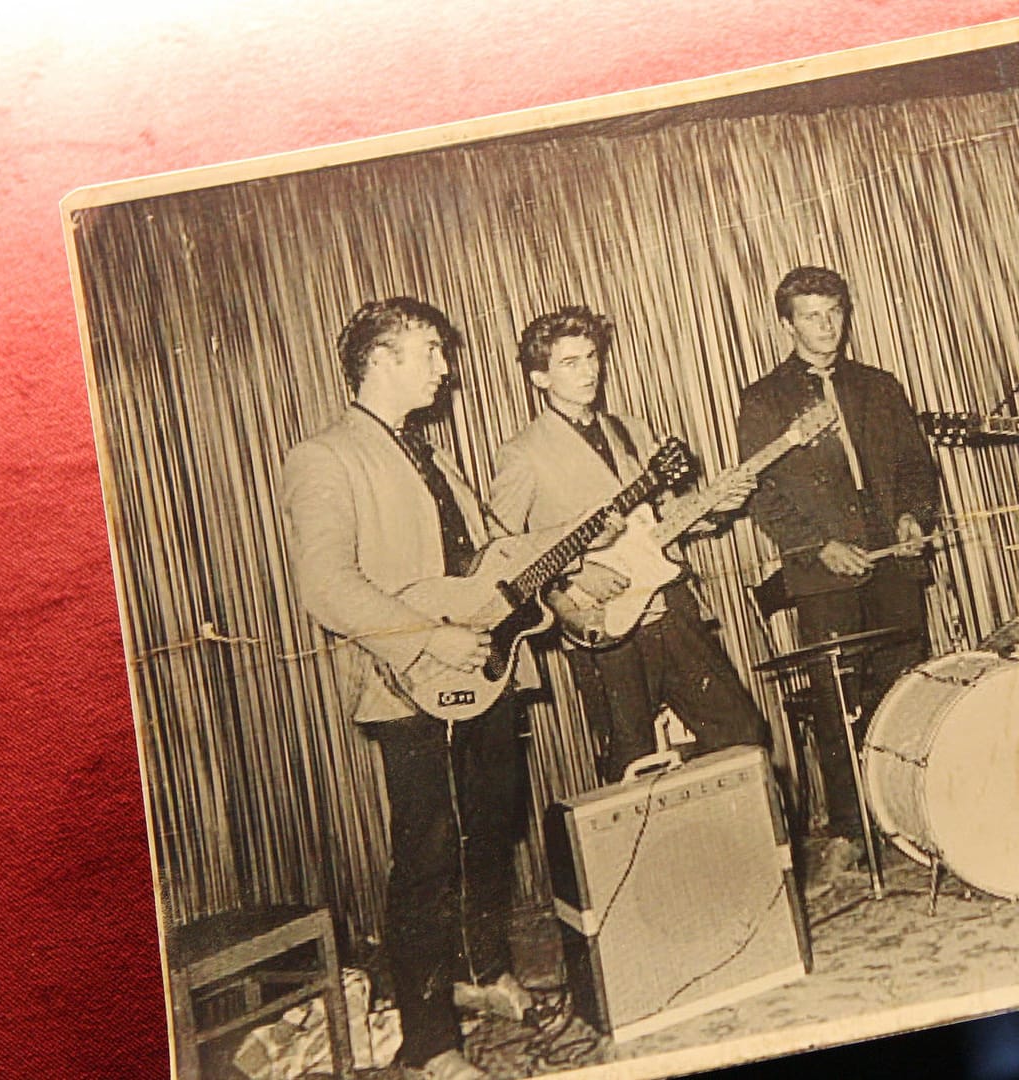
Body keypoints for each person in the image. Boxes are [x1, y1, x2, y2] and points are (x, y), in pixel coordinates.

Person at [281, 298, 533, 1080]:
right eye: (429, 350)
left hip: (479, 676)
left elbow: (489, 552)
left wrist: (578, 562)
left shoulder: (438, 455)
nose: (445, 367)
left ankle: (479, 972)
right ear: (379, 359)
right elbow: (325, 585)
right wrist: (429, 636)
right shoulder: (324, 456)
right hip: (411, 684)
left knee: (489, 825)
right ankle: (430, 1043)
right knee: (426, 854)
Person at [488, 305, 767, 786]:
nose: (589, 371)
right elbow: (503, 549)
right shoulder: (522, 453)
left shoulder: (631, 430)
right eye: (570, 362)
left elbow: (667, 519)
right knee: (630, 759)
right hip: (601, 619)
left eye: (592, 357)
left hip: (669, 603)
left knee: (740, 730)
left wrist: (717, 506)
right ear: (538, 377)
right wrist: (570, 576)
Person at [735, 266, 941, 886]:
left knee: (906, 689)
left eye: (834, 313)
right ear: (787, 323)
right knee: (838, 704)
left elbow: (915, 466)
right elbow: (762, 496)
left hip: (892, 565)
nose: (826, 327)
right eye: (811, 316)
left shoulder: (880, 386)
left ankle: (921, 814)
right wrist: (817, 546)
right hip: (823, 575)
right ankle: (851, 831)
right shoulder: (763, 399)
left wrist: (911, 516)